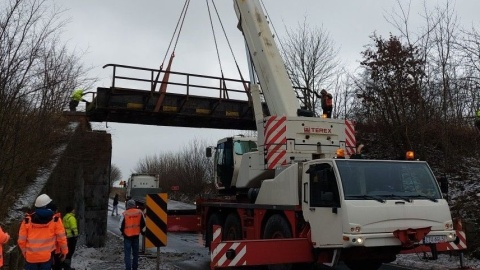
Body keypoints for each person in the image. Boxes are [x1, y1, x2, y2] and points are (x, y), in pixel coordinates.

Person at [18, 194, 68, 270]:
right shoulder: (55, 220)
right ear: (47, 206)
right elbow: (62, 239)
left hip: (31, 258)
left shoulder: (27, 221)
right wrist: (64, 251)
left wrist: (25, 253)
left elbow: (21, 241)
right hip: (46, 258)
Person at [120, 199, 145, 270]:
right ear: (134, 205)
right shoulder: (139, 212)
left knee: (127, 254)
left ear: (127, 205)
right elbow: (143, 224)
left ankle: (128, 268)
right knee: (135, 254)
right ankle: (135, 268)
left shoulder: (125, 213)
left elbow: (120, 226)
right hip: (136, 236)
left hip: (127, 237)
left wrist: (123, 233)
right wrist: (140, 231)